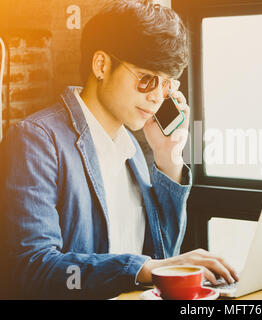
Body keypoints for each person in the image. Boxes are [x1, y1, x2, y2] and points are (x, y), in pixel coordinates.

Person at [0, 0, 238, 299]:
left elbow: (163, 257)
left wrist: (168, 157)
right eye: (147, 79)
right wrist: (142, 268)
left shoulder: (133, 149)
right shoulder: (36, 140)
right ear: (101, 65)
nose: (156, 98)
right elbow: (34, 269)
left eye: (166, 85)